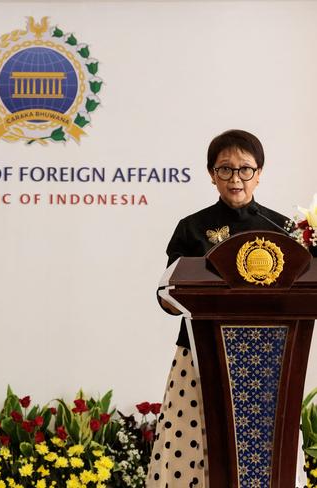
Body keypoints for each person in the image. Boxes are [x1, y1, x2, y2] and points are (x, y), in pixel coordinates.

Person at [146, 129, 288, 487]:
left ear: (260, 173)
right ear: (211, 174)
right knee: (193, 449)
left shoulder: (284, 229)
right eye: (225, 169)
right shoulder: (192, 227)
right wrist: (169, 297)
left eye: (245, 169)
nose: (235, 178)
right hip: (200, 352)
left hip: (267, 355)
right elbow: (167, 294)